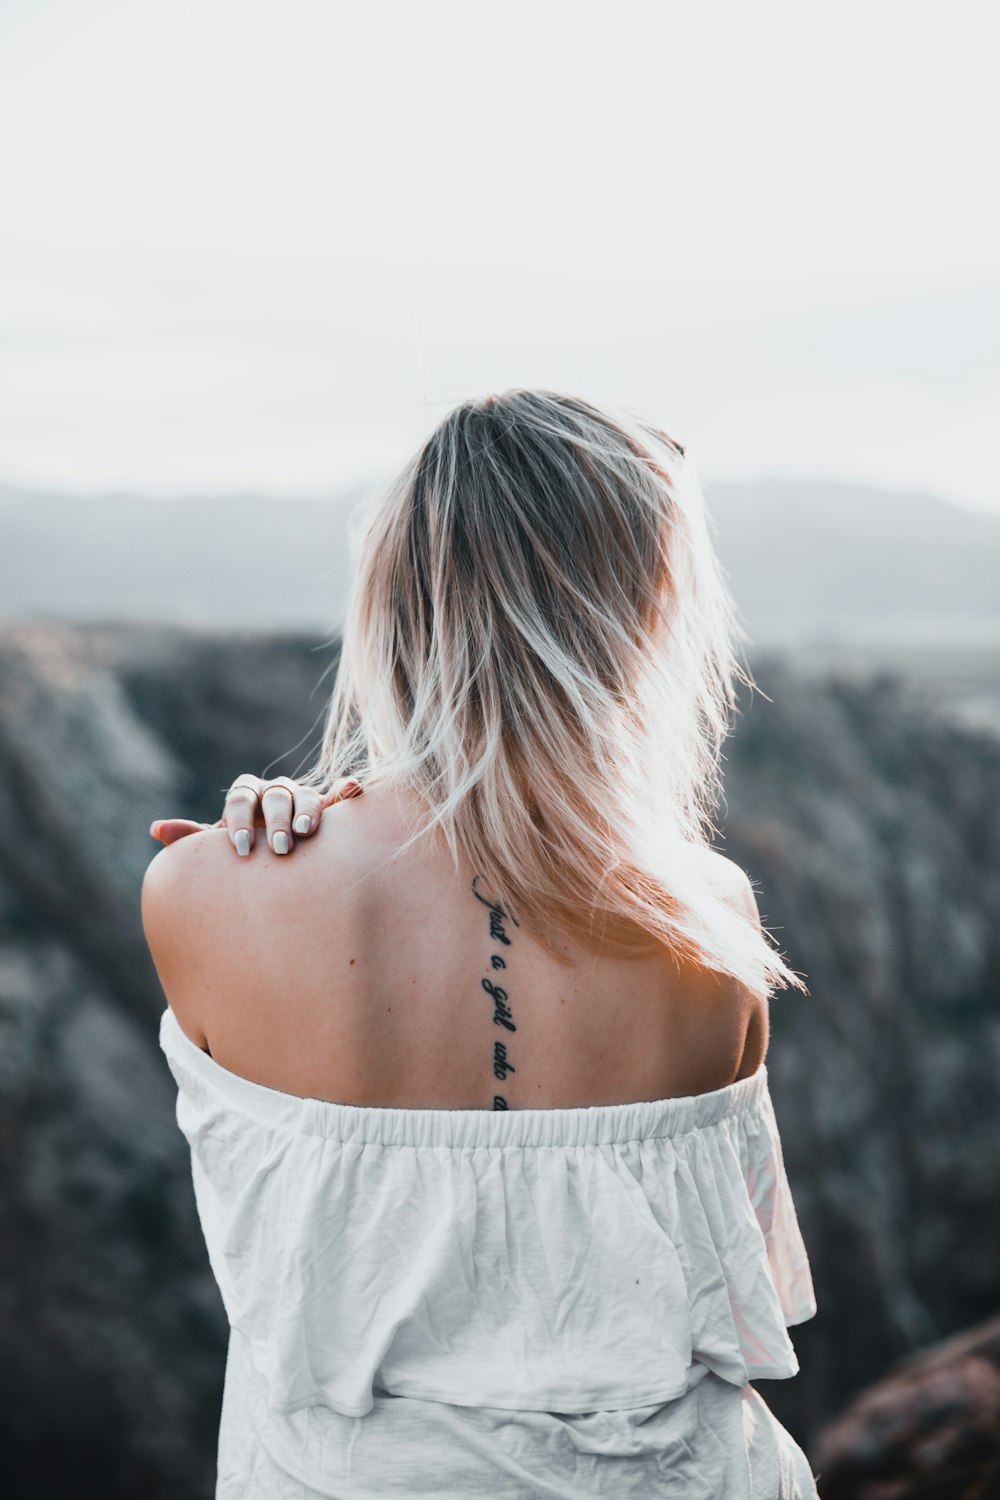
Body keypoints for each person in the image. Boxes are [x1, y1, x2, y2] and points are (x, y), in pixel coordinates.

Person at [142, 389, 820, 1498]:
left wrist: (286, 847)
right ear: (650, 619)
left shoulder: (206, 890)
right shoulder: (713, 921)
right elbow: (728, 1293)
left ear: (391, 599)